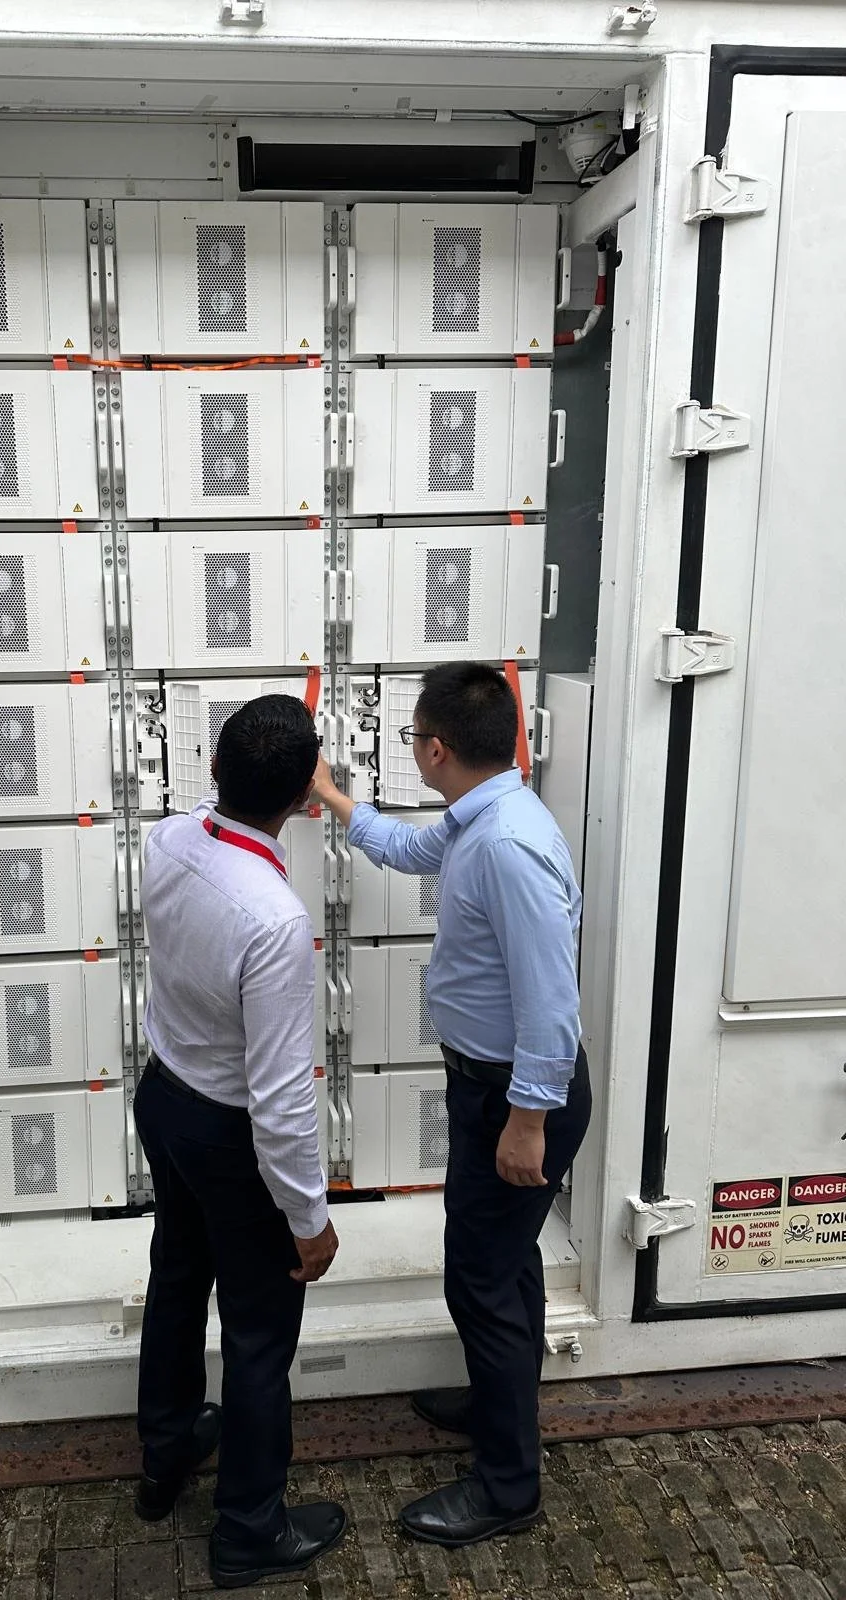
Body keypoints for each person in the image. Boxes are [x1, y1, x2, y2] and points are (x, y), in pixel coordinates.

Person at [313, 662, 591, 1549]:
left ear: (435, 749)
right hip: (497, 1088)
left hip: (516, 1096)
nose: (415, 755)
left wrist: (526, 1119)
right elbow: (404, 849)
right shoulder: (482, 817)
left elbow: (552, 998)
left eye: (411, 742)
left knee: (479, 1279)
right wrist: (332, 797)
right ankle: (494, 1400)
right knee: (505, 1266)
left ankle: (509, 1487)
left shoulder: (506, 844)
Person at [133, 693, 347, 1589]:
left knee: (179, 1278)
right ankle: (248, 1529)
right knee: (259, 1334)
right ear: (305, 797)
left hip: (165, 1096)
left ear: (212, 770)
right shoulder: (275, 920)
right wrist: (309, 1217)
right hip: (229, 1133)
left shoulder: (169, 841)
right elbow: (282, 1103)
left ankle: (166, 1456)